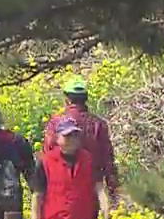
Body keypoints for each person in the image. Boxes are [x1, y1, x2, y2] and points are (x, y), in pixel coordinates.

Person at [31, 118, 108, 219]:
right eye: (67, 136)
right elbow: (37, 196)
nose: (72, 139)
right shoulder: (45, 161)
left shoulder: (88, 159)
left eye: (75, 135)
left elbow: (99, 186)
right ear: (57, 138)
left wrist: (105, 210)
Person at [43, 76, 120, 204]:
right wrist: (113, 193)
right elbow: (108, 159)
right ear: (86, 99)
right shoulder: (98, 124)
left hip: (61, 188)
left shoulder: (56, 123)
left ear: (67, 99)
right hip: (90, 188)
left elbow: (47, 153)